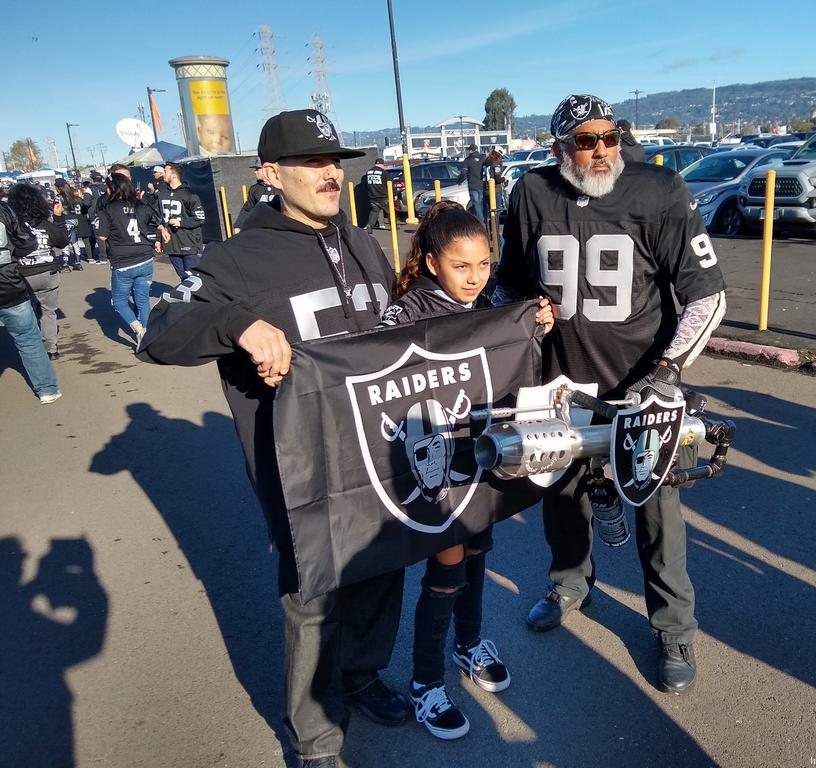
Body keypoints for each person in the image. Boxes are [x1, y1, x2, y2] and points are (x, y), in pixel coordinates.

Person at [137, 109, 409, 768]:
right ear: (270, 173)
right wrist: (237, 324)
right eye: (311, 163)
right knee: (313, 595)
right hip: (302, 468)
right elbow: (159, 331)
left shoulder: (365, 242)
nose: (329, 174)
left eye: (334, 162)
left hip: (381, 454)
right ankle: (315, 733)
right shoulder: (234, 258)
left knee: (382, 569)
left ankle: (363, 676)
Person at [494, 93, 727, 695]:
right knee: (559, 495)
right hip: (561, 383)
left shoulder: (661, 191)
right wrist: (520, 323)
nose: (600, 150)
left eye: (609, 136)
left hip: (642, 383)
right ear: (557, 148)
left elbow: (708, 294)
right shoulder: (531, 195)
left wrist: (669, 370)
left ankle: (674, 628)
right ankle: (570, 584)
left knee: (658, 510)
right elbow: (508, 290)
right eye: (584, 140)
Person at [380, 201, 553, 740]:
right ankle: (426, 682)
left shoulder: (489, 303)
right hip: (432, 460)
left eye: (483, 265)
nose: (475, 278)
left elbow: (504, 361)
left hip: (481, 453)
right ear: (432, 263)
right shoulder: (407, 312)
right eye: (461, 266)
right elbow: (373, 371)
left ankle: (469, 643)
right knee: (447, 564)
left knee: (478, 550)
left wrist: (534, 326)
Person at [0, 200, 61, 402]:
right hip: (8, 282)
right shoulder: (4, 210)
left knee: (28, 334)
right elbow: (27, 242)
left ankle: (47, 388)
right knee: (28, 338)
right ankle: (47, 389)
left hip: (10, 281)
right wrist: (11, 255)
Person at [96, 174, 161, 346]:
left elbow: (102, 236)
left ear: (113, 188)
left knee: (119, 302)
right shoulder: (139, 204)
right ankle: (147, 336)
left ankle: (139, 330)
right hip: (145, 258)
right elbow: (156, 220)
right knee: (142, 300)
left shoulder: (108, 208)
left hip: (123, 261)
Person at [7, 182, 69, 360]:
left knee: (25, 313)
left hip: (23, 273)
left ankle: (34, 348)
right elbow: (63, 241)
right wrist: (58, 219)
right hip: (48, 272)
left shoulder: (13, 226)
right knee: (48, 311)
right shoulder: (44, 224)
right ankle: (52, 348)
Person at [157, 162, 206, 282]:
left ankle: (199, 299)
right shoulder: (162, 195)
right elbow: (159, 218)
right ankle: (188, 298)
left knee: (193, 278)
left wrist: (181, 222)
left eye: (166, 171)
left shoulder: (190, 195)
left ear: (173, 175)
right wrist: (158, 240)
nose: (163, 174)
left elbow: (200, 218)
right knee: (183, 277)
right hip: (171, 245)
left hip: (189, 243)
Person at [234, 163, 276, 233]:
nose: (255, 172)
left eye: (257, 169)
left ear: (266, 170)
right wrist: (238, 225)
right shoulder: (254, 189)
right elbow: (247, 209)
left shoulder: (280, 187)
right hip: (261, 229)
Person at [362, 158, 390, 233]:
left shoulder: (368, 173)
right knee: (390, 212)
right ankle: (393, 225)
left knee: (374, 212)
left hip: (372, 197)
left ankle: (370, 225)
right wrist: (394, 194)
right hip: (383, 197)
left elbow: (365, 185)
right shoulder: (384, 172)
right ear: (382, 164)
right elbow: (389, 184)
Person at [459, 144, 485, 222]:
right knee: (481, 204)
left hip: (473, 185)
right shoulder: (483, 159)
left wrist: (459, 181)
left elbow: (464, 173)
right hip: (482, 184)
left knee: (476, 204)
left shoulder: (468, 160)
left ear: (471, 150)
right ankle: (485, 220)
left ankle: (481, 222)